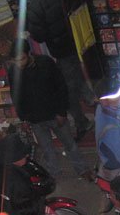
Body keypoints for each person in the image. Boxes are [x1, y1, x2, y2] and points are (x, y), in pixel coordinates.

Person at [27, 0, 95, 141]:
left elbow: (38, 35)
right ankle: (90, 98)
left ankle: (82, 122)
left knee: (68, 89)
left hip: (59, 50)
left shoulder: (36, 4)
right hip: (76, 43)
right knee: (77, 72)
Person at [7, 40, 93, 180]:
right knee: (47, 149)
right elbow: (16, 95)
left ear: (28, 54)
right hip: (35, 119)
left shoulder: (45, 63)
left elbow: (61, 87)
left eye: (21, 59)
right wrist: (23, 117)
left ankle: (82, 169)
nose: (19, 63)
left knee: (69, 144)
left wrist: (61, 112)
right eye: (15, 60)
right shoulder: (13, 71)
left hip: (54, 114)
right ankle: (54, 174)